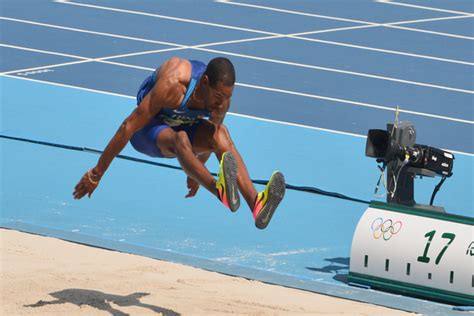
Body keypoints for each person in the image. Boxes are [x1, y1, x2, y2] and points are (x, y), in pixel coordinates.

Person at [73, 57, 285, 229]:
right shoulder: (174, 83)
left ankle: (256, 204)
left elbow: (211, 143)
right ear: (204, 83)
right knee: (180, 139)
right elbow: (127, 127)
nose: (222, 103)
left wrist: (196, 171)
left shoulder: (222, 103)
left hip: (184, 129)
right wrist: (96, 173)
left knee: (221, 135)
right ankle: (218, 190)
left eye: (228, 96)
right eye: (219, 95)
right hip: (148, 132)